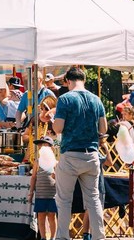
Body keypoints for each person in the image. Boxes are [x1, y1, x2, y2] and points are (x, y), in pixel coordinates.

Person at [46, 67, 106, 240]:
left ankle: (63, 237)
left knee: (64, 200)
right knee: (93, 198)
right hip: (92, 154)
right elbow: (103, 129)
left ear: (67, 81)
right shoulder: (96, 99)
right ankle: (99, 237)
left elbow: (58, 128)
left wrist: (52, 121)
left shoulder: (65, 99)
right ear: (84, 80)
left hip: (71, 154)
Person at [27, 136, 58, 240]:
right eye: (41, 145)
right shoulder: (38, 162)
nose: (42, 147)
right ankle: (43, 237)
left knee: (52, 216)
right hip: (40, 194)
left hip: (52, 194)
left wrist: (56, 176)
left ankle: (53, 237)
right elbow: (33, 177)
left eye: (45, 145)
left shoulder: (55, 163)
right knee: (41, 216)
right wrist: (31, 192)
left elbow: (60, 179)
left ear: (51, 148)